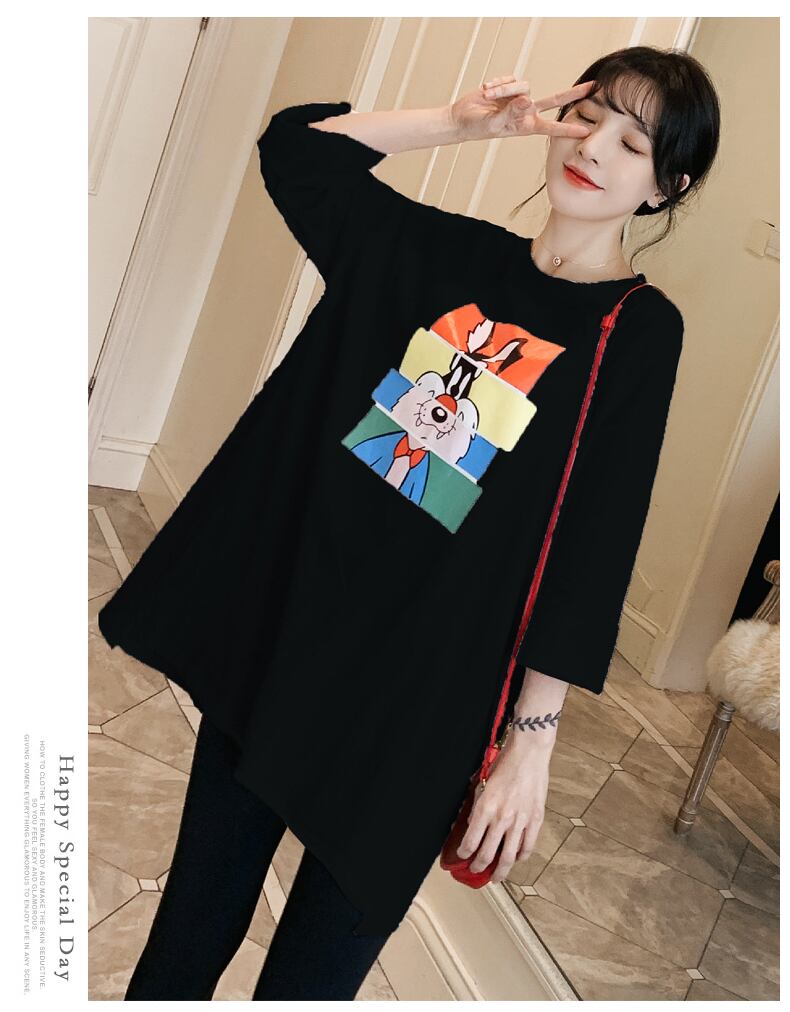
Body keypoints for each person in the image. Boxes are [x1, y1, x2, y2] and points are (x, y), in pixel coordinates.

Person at [97, 44, 720, 1000]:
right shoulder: (443, 256)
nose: (593, 148)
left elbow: (595, 544)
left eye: (633, 145)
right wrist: (459, 124)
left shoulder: (636, 331)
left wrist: (533, 740)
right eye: (586, 116)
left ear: (665, 186)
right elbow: (297, 151)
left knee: (311, 983)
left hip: (425, 704)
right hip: (292, 640)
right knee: (186, 940)